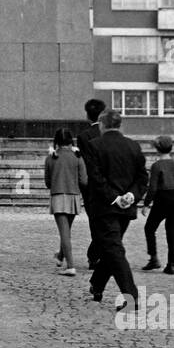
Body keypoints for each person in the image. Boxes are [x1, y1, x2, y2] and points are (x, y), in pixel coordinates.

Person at [83, 110, 148, 308]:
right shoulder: (133, 146)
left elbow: (95, 178)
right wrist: (131, 196)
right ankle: (97, 283)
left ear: (101, 124)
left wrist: (114, 197)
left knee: (114, 250)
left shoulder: (94, 146)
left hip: (104, 207)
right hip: (126, 208)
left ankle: (131, 297)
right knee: (112, 248)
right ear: (120, 125)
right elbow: (142, 177)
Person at [44, 128, 88, 277]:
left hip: (58, 196)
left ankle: (70, 266)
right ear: (71, 141)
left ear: (56, 141)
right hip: (74, 196)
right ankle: (60, 256)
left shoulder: (51, 158)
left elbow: (48, 182)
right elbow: (84, 180)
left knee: (64, 233)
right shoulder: (78, 157)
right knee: (66, 230)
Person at [141, 135, 174, 274]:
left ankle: (154, 258)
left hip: (162, 199)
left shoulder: (156, 165)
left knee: (149, 228)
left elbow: (152, 187)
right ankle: (171, 264)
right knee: (171, 231)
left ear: (157, 149)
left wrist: (146, 204)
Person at [75, 98, 106, 268]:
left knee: (94, 221)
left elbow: (85, 162)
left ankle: (94, 255)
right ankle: (97, 253)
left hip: (91, 186)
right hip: (109, 185)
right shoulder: (107, 134)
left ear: (87, 115)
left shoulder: (83, 136)